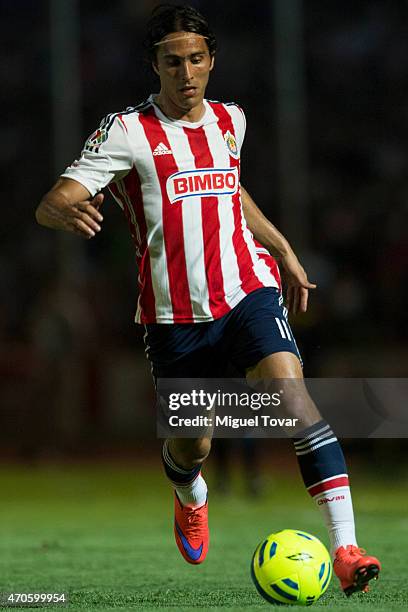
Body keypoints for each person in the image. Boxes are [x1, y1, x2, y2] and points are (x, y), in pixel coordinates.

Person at [35, 4, 380, 596]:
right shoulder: (126, 132)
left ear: (212, 62)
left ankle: (346, 548)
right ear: (156, 66)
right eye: (173, 62)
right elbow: (52, 200)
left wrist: (284, 250)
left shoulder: (231, 120)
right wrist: (62, 212)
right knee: (192, 444)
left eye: (196, 59)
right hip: (174, 317)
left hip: (247, 290)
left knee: (295, 401)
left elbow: (231, 190)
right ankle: (189, 490)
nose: (186, 72)